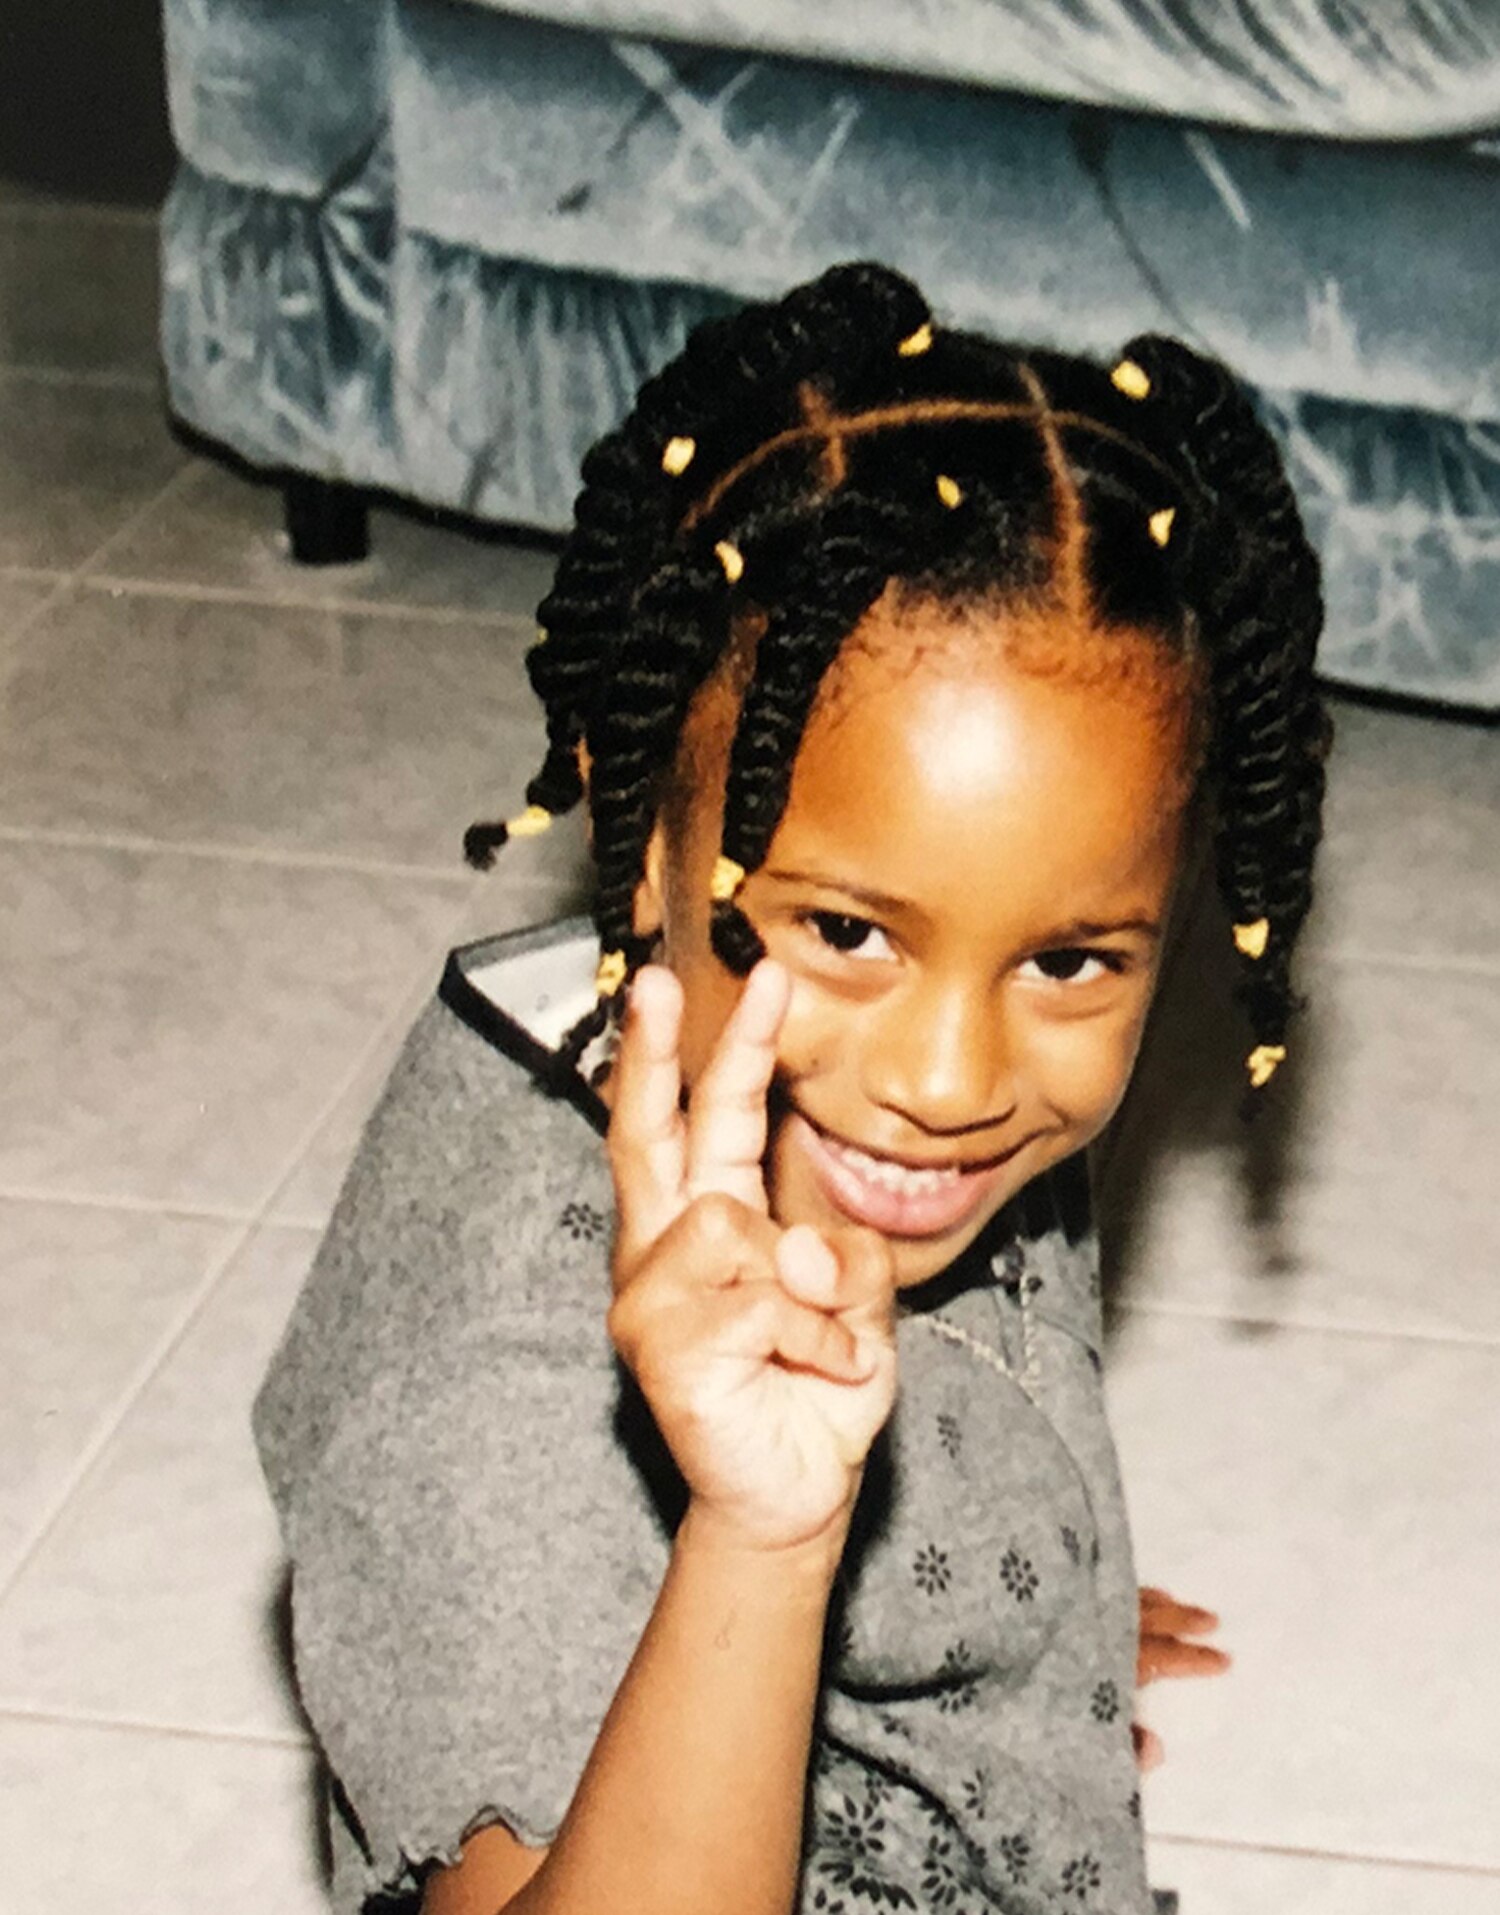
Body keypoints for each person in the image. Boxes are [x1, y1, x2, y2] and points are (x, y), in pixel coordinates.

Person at [254, 261, 1328, 1915]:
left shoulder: (850, 1075)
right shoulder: (493, 1390)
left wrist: (978, 1599)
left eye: (1071, 959)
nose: (951, 1082)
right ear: (647, 832)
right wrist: (765, 1537)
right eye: (846, 929)